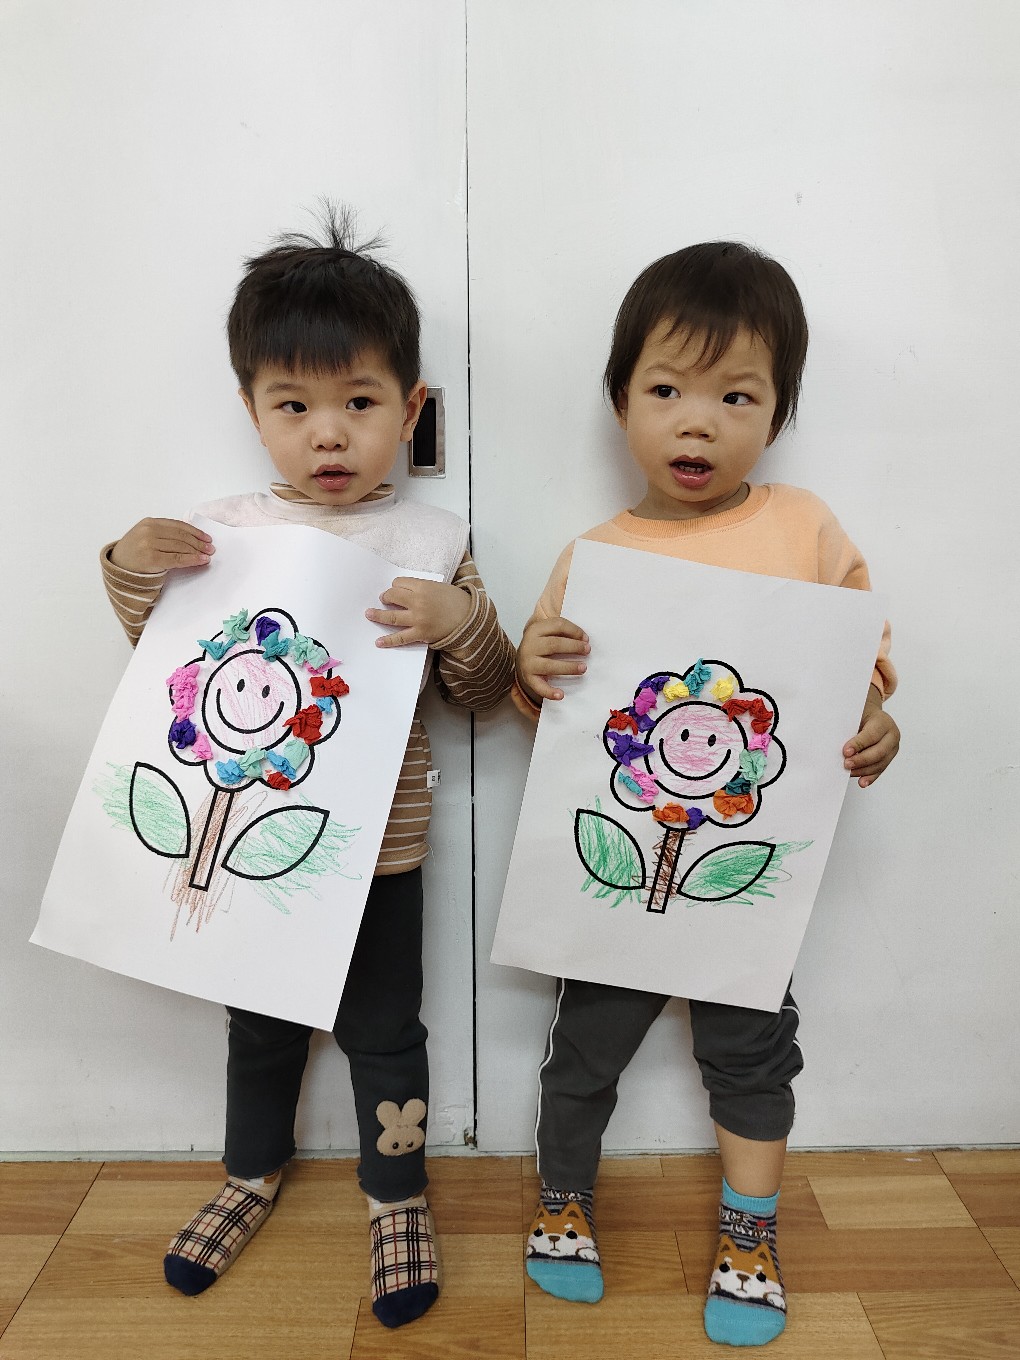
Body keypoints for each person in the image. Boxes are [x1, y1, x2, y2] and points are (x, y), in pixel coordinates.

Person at [101, 207, 515, 1329]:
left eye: (360, 404)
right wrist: (130, 566)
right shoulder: (224, 531)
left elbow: (485, 691)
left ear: (409, 410)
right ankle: (249, 1172)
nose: (328, 435)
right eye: (294, 407)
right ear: (252, 411)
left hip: (383, 854)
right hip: (249, 851)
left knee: (387, 1030)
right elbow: (164, 668)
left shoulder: (432, 541)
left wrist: (459, 620)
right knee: (262, 1024)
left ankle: (397, 1192)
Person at [513, 241, 899, 1348]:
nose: (699, 423)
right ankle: (563, 1199)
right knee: (586, 1047)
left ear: (778, 413)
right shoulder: (595, 555)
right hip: (621, 872)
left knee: (752, 1052)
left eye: (737, 396)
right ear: (620, 401)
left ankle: (750, 1229)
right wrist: (536, 669)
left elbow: (858, 665)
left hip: (746, 878)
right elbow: (559, 719)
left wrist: (876, 716)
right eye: (667, 391)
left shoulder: (805, 528)